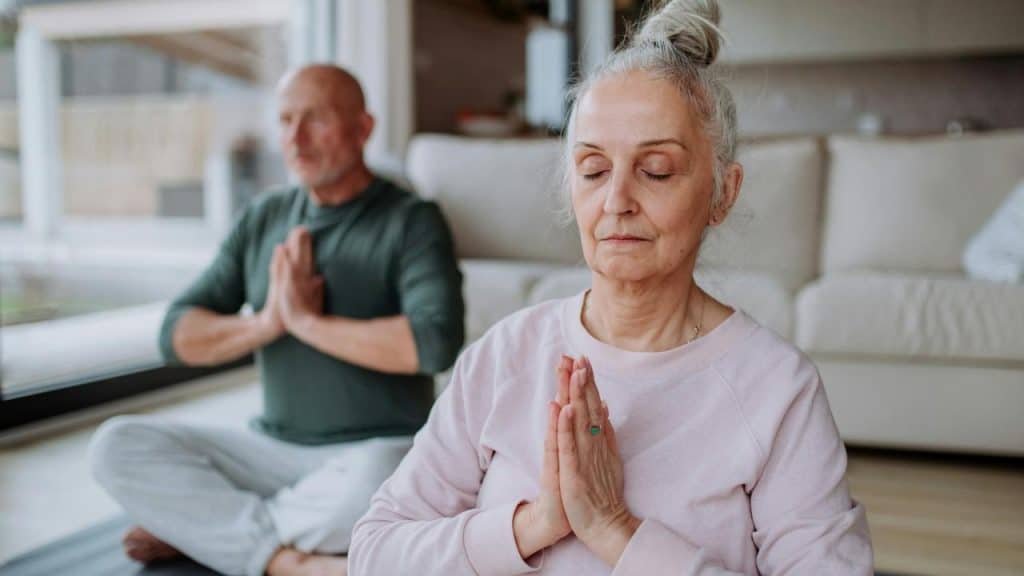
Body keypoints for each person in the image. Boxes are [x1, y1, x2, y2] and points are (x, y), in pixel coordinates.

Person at [348, 1, 873, 574]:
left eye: (656, 170)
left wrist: (614, 529)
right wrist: (536, 523)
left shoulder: (778, 390)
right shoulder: (506, 354)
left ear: (723, 193)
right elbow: (374, 553)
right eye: (594, 170)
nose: (616, 201)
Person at [88, 64, 464, 576]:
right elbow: (175, 335)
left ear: (363, 129)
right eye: (285, 120)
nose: (295, 138)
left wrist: (307, 323)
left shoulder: (412, 219)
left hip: (375, 451)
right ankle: (283, 556)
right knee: (115, 444)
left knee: (385, 481)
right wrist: (268, 322)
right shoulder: (264, 216)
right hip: (268, 451)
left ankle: (210, 533)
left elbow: (433, 343)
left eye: (316, 120)